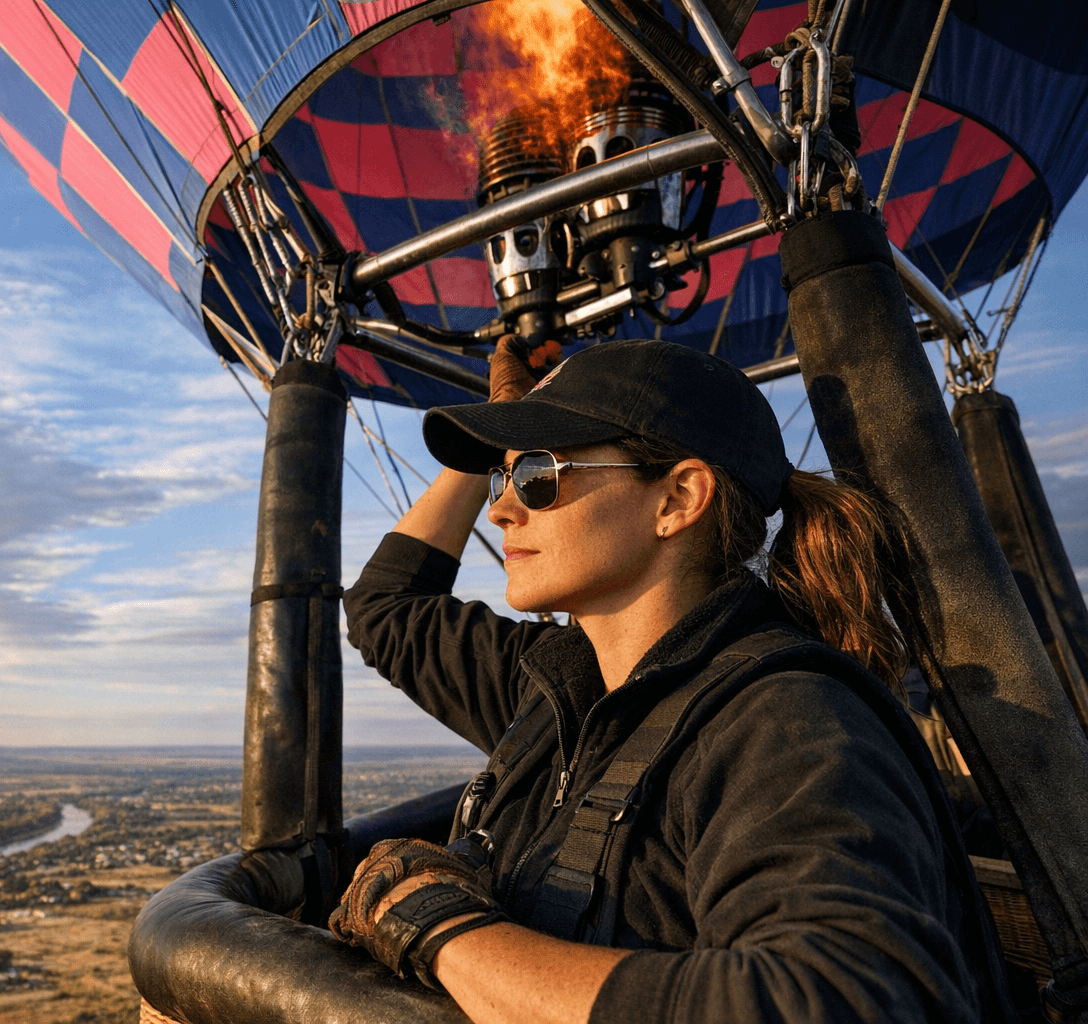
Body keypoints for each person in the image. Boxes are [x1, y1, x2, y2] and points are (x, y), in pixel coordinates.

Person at [328, 339, 1010, 1024]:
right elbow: (387, 608)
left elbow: (840, 1000)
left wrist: (450, 935)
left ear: (678, 498)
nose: (502, 510)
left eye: (537, 474)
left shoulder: (787, 723)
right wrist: (502, 430)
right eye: (499, 482)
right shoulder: (553, 690)